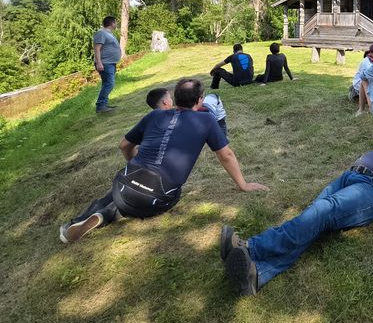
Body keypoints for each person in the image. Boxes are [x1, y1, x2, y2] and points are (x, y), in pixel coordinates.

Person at [220, 138, 373, 295]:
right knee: (312, 220)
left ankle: (252, 247)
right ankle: (258, 274)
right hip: (349, 177)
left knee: (321, 211)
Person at [59, 78, 266, 243]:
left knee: (122, 188)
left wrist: (132, 165)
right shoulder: (206, 120)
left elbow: (124, 145)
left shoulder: (154, 116)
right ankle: (107, 215)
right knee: (149, 195)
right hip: (159, 195)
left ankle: (78, 222)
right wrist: (243, 184)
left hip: (127, 180)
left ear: (175, 99)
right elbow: (225, 155)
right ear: (199, 100)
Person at [93, 15, 121, 113]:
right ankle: (100, 106)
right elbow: (97, 49)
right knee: (109, 84)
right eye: (115, 22)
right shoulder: (101, 33)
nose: (116, 24)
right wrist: (99, 63)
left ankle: (103, 104)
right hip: (105, 64)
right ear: (112, 23)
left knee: (107, 84)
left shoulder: (109, 33)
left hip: (110, 63)